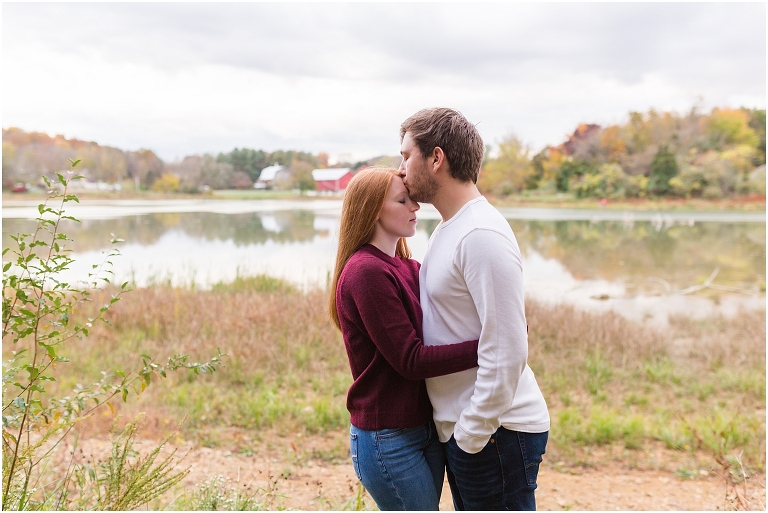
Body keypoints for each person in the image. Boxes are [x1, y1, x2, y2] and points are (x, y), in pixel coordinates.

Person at [398, 107, 550, 511]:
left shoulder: (480, 233)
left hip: (496, 432)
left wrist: (471, 434)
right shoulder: (451, 227)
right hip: (472, 432)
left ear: (436, 158)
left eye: (406, 156)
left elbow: (507, 348)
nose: (400, 170)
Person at [329, 167, 479, 511]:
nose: (416, 207)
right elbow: (411, 361)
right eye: (403, 200)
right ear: (372, 210)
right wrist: (491, 346)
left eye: (412, 199)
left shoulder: (407, 266)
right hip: (388, 436)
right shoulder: (366, 271)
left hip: (425, 428)